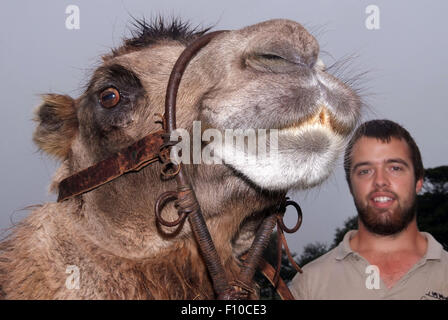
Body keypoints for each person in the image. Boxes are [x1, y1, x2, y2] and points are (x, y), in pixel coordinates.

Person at [289, 119, 448, 300]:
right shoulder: (309, 283)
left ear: (418, 181)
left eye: (395, 168)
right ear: (350, 186)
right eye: (365, 171)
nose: (380, 181)